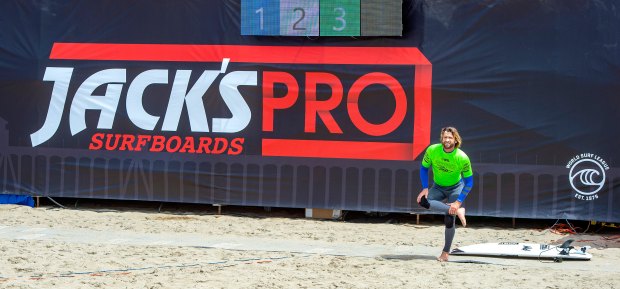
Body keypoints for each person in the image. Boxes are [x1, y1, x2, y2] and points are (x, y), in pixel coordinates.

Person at [417, 126, 473, 262]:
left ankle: (445, 253)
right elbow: (424, 169)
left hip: (456, 187)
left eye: (450, 137)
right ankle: (456, 210)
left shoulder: (462, 157)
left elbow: (469, 182)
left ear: (455, 140)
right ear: (442, 138)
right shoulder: (432, 150)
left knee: (449, 219)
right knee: (423, 201)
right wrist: (425, 188)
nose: (447, 140)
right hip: (438, 187)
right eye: (445, 137)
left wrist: (458, 201)